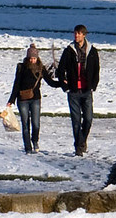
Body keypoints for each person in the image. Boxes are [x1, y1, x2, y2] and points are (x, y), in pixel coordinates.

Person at [54, 23, 101, 155]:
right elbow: (61, 69)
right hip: (73, 90)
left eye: (79, 33)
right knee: (75, 121)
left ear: (84, 35)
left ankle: (81, 142)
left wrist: (93, 85)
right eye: (75, 33)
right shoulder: (68, 51)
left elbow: (96, 69)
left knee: (88, 119)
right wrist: (65, 85)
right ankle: (79, 148)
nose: (76, 35)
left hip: (87, 90)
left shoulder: (92, 51)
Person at [7, 43, 47, 153]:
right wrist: (11, 99)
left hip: (35, 99)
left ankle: (35, 140)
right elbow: (17, 84)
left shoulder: (41, 68)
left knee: (36, 123)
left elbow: (50, 81)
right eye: (30, 58)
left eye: (34, 58)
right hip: (22, 99)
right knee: (25, 124)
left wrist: (62, 84)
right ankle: (27, 147)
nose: (32, 60)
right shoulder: (21, 67)